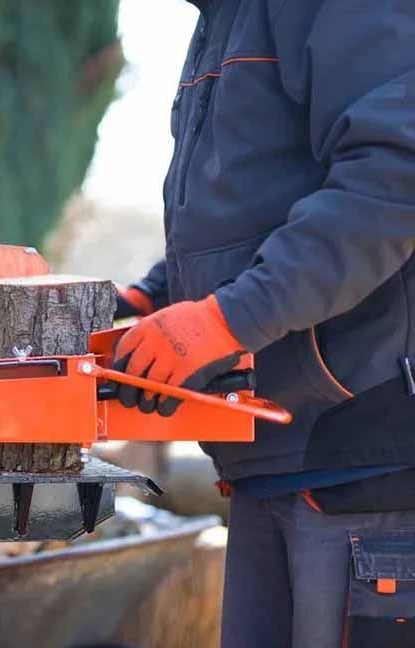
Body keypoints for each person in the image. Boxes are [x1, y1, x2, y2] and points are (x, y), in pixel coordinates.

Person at [113, 2, 415, 646]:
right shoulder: (227, 17)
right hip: (273, 457)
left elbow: (395, 177)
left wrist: (225, 321)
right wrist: (152, 297)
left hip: (365, 458)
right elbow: (257, 207)